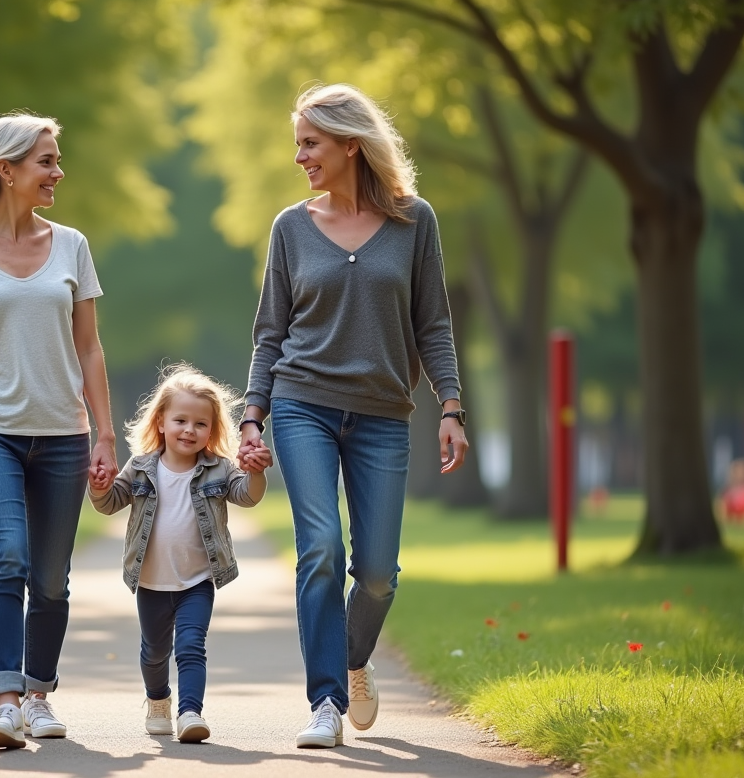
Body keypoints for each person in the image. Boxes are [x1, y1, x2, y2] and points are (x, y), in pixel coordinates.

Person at [238, 84, 469, 748]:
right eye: (298, 144)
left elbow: (434, 324)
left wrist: (449, 405)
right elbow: (269, 333)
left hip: (381, 415)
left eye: (310, 143)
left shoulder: (413, 220)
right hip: (302, 403)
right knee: (320, 550)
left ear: (349, 143)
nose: (300, 156)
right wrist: (254, 415)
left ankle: (352, 656)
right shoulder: (290, 227)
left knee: (374, 572)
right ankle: (325, 703)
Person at [0, 113, 118, 749]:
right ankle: (5, 700)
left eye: (56, 161)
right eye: (46, 162)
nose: (57, 172)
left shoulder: (72, 246)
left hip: (63, 431)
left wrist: (106, 435)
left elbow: (89, 349)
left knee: (52, 576)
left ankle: (39, 696)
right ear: (6, 169)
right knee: (6, 552)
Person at [89, 364, 273, 742]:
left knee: (191, 645)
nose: (190, 430)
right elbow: (109, 504)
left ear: (212, 431)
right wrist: (99, 486)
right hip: (152, 581)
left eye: (200, 424)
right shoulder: (140, 468)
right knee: (154, 652)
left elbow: (247, 497)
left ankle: (191, 712)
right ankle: (158, 700)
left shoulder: (218, 469)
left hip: (197, 580)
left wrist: (256, 472)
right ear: (160, 423)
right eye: (181, 420)